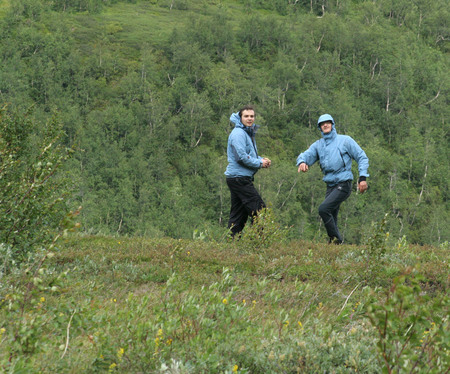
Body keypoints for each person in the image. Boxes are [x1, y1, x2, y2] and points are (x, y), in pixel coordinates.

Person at [296, 114, 369, 244]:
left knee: (323, 209)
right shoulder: (319, 145)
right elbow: (306, 155)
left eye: (328, 122)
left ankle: (336, 241)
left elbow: (361, 157)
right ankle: (335, 249)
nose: (325, 125)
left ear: (332, 124)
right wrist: (302, 162)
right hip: (330, 185)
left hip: (344, 183)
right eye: (322, 124)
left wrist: (362, 177)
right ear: (320, 128)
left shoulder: (345, 140)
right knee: (332, 216)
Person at [225, 105, 271, 237]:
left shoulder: (246, 132)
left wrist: (262, 160)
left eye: (252, 116)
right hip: (239, 179)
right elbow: (241, 158)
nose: (249, 118)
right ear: (240, 118)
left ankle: (231, 244)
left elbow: (248, 155)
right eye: (246, 116)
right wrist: (259, 163)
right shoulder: (238, 133)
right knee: (260, 212)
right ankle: (256, 243)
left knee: (238, 217)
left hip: (237, 178)